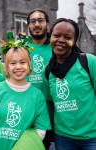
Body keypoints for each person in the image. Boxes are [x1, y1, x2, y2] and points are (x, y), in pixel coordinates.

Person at [0, 46, 51, 150]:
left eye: (22, 62)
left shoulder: (37, 95)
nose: (18, 67)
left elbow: (40, 130)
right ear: (7, 66)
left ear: (29, 65)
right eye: (13, 63)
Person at [44, 18, 96, 150]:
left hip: (91, 138)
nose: (61, 40)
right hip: (63, 138)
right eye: (56, 35)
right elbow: (50, 102)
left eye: (67, 37)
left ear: (74, 41)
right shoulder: (48, 70)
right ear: (51, 38)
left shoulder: (88, 62)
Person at [27, 8, 53, 149]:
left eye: (40, 20)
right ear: (28, 26)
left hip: (54, 116)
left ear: (47, 24)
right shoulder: (21, 48)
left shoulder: (56, 47)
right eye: (33, 21)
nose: (36, 24)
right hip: (28, 117)